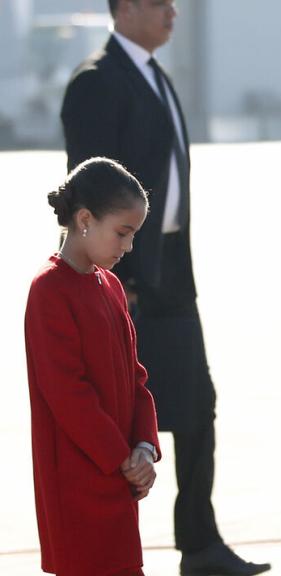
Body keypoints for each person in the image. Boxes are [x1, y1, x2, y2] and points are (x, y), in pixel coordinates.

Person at [60, 1, 270, 574]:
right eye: (159, 3)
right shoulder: (97, 83)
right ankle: (101, 549)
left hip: (170, 269)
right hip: (124, 275)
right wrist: (113, 278)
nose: (173, 12)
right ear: (124, 8)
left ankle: (200, 545)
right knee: (109, 423)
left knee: (198, 406)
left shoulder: (156, 77)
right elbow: (89, 189)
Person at [25, 157, 160, 576]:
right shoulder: (49, 290)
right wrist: (121, 457)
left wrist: (144, 446)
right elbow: (68, 395)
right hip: (77, 483)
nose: (128, 246)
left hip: (119, 478)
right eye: (123, 232)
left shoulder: (112, 286)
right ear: (85, 219)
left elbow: (136, 377)